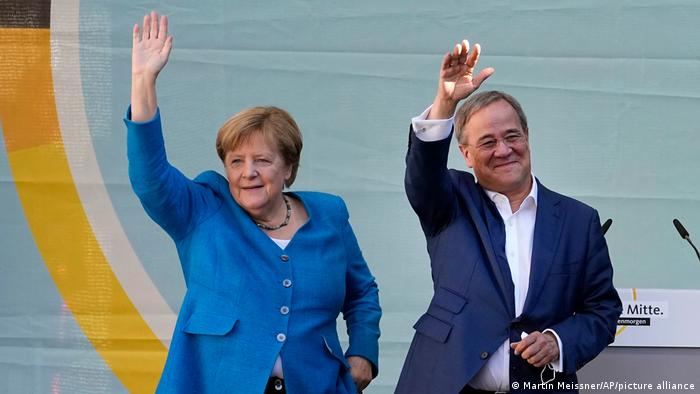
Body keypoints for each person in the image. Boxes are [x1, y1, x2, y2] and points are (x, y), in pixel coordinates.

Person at [126, 11, 381, 394]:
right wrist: (143, 82)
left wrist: (363, 352)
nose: (248, 173)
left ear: (288, 169)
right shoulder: (204, 210)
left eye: (262, 160)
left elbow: (361, 292)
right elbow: (151, 180)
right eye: (236, 161)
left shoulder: (329, 214)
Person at [395, 40, 622, 393]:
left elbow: (603, 310)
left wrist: (557, 341)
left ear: (527, 138)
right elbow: (423, 173)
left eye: (511, 136)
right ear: (466, 154)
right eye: (487, 142)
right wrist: (445, 103)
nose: (503, 150)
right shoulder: (450, 201)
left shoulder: (579, 221)